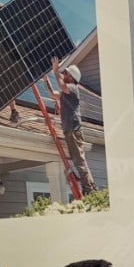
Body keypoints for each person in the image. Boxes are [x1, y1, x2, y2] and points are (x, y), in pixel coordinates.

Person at [50, 58, 97, 195]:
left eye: (66, 73)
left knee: (79, 161)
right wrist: (47, 80)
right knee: (79, 160)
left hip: (73, 130)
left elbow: (61, 85)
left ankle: (89, 188)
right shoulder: (67, 92)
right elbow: (53, 94)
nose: (63, 75)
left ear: (71, 77)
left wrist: (55, 71)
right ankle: (90, 186)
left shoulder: (72, 88)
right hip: (70, 130)